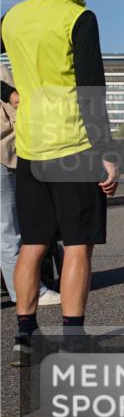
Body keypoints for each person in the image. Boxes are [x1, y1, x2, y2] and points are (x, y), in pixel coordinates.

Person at [1, 0, 119, 366]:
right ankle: (73, 338)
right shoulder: (79, 17)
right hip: (73, 145)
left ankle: (25, 336)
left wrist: (8, 91)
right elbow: (92, 92)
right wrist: (107, 153)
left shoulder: (12, 17)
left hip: (30, 145)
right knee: (76, 246)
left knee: (32, 243)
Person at [0, 65, 60, 306]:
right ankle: (28, 291)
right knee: (10, 227)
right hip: (4, 156)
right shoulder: (2, 72)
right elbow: (16, 113)